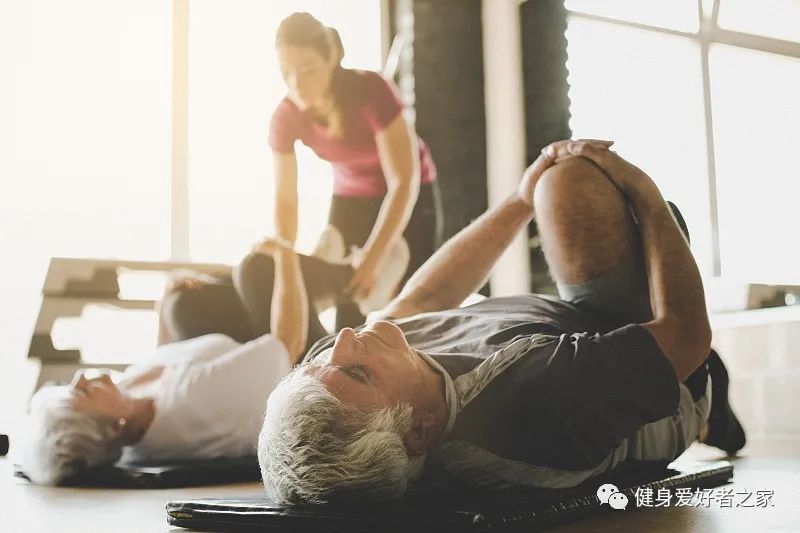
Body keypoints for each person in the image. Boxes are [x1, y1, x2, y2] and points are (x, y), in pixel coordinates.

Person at [258, 140, 747, 504]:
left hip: (566, 330)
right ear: (419, 433)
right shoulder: (534, 403)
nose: (343, 340)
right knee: (573, 182)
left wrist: (520, 199)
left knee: (549, 189)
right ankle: (713, 403)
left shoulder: (387, 372)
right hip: (675, 376)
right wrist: (644, 192)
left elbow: (425, 295)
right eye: (356, 371)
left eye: (319, 361)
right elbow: (686, 335)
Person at [18, 240, 407, 486]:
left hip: (230, 352)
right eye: (85, 391)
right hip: (297, 363)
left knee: (182, 303)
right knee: (258, 268)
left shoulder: (131, 406)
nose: (86, 377)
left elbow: (162, 356)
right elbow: (285, 344)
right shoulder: (192, 405)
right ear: (113, 429)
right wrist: (286, 256)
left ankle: (339, 286)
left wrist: (164, 304)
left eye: (75, 382)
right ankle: (358, 280)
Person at [270, 12, 442, 329]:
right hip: (350, 195)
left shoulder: (372, 90)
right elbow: (285, 201)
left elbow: (403, 182)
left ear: (331, 57)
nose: (297, 84)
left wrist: (373, 259)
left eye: (307, 69)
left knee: (410, 302)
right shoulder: (285, 117)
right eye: (286, 72)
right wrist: (285, 260)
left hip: (410, 193)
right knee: (348, 302)